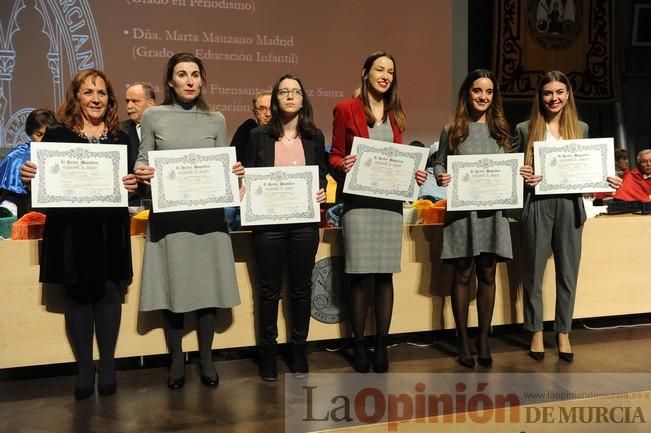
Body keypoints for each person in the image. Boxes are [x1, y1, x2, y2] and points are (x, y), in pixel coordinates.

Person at [19, 70, 137, 399]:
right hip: (69, 228)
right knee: (78, 297)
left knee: (109, 293)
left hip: (109, 228)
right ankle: (85, 368)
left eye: (101, 92)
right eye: (88, 92)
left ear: (109, 99)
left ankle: (109, 365)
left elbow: (129, 185)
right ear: (76, 97)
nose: (96, 98)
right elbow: (41, 182)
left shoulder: (121, 137)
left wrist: (132, 184)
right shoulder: (56, 135)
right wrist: (31, 176)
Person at [134, 52, 242, 389]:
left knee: (207, 287)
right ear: (170, 81)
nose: (190, 80)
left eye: (195, 74)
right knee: (173, 287)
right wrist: (142, 172)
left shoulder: (216, 119)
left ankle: (206, 359)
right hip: (169, 218)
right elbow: (142, 160)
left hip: (208, 218)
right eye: (182, 74)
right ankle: (177, 359)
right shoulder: (153, 116)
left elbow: (224, 163)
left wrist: (234, 172)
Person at [329, 51, 427, 373]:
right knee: (359, 276)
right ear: (365, 73)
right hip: (358, 204)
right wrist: (342, 165)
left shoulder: (397, 113)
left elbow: (398, 159)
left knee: (384, 275)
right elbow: (335, 155)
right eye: (379, 69)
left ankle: (381, 344)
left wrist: (415, 174)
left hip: (388, 206)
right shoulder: (346, 109)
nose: (385, 75)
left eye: (390, 71)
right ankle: (359, 344)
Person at [516, 70, 621, 362]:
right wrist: (521, 175)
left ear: (568, 95)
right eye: (548, 92)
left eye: (559, 92)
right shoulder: (525, 129)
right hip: (537, 205)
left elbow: (587, 171)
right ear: (540, 96)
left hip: (571, 205)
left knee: (568, 273)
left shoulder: (582, 128)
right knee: (533, 273)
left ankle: (563, 331)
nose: (554, 98)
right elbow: (513, 170)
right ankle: (535, 330)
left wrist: (605, 180)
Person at [245, 74, 327, 381]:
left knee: (300, 288)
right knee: (267, 292)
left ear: (303, 99)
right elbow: (250, 177)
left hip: (304, 224)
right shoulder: (258, 136)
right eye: (283, 91)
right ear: (276, 99)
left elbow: (319, 175)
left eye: (295, 91)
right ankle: (267, 353)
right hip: (268, 225)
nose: (290, 96)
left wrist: (320, 189)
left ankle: (298, 351)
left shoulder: (314, 136)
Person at [433, 69, 513, 368]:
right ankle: (463, 340)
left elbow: (511, 167)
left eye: (489, 92)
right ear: (467, 93)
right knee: (463, 274)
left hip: (493, 213)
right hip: (462, 213)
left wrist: (519, 174)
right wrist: (441, 175)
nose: (483, 96)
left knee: (488, 274)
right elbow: (440, 161)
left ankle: (483, 340)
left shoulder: (502, 130)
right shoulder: (452, 128)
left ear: (494, 96)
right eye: (477, 90)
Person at [0, 109, 57, 217]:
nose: (43, 139)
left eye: (47, 134)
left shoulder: (60, 154)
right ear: (30, 133)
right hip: (22, 205)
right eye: (38, 134)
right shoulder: (17, 155)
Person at [122, 83, 156, 205]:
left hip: (162, 204)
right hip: (133, 203)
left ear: (150, 104)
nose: (129, 106)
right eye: (127, 101)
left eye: (135, 101)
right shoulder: (119, 132)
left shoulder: (166, 129)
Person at [231, 89, 272, 162]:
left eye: (271, 108)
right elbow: (233, 159)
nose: (268, 114)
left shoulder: (284, 132)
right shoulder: (247, 130)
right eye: (262, 109)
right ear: (254, 112)